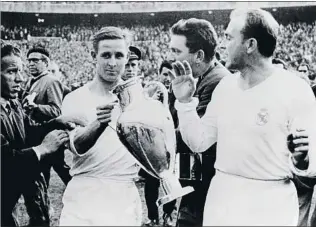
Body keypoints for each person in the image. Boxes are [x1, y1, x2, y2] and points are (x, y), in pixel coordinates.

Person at [170, 8, 316, 225]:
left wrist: (302, 159)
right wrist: (184, 104)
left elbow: (311, 160)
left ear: (250, 45)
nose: (222, 44)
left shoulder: (295, 89)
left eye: (229, 37)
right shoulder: (226, 87)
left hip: (270, 203)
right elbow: (199, 142)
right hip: (222, 200)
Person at [59, 26, 142, 226]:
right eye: (106, 55)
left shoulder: (140, 98)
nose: (112, 63)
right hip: (84, 193)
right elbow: (75, 146)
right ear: (93, 56)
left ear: (127, 57)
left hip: (123, 194)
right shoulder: (75, 98)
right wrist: (99, 123)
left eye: (119, 55)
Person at [1, 43, 83, 226]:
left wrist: (57, 122)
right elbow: (5, 158)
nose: (20, 79)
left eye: (20, 71)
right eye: (12, 72)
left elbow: (30, 129)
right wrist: (43, 148)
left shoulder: (12, 104)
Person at [167, 18, 232, 227]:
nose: (171, 57)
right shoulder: (199, 78)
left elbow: (193, 140)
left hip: (205, 185)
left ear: (199, 56)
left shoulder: (217, 82)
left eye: (176, 52)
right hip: (194, 182)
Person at [21, 46, 72, 226]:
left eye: (36, 60)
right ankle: (41, 215)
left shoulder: (51, 81)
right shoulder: (30, 82)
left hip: (48, 136)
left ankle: (42, 216)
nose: (31, 64)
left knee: (57, 174)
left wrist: (35, 108)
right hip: (35, 137)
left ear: (46, 63)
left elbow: (56, 110)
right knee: (41, 179)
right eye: (29, 61)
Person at [141, 80, 177, 226]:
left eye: (170, 75)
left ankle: (168, 214)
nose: (167, 78)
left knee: (171, 184)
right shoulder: (151, 100)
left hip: (172, 150)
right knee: (151, 184)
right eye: (164, 74)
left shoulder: (176, 99)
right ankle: (153, 217)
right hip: (154, 150)